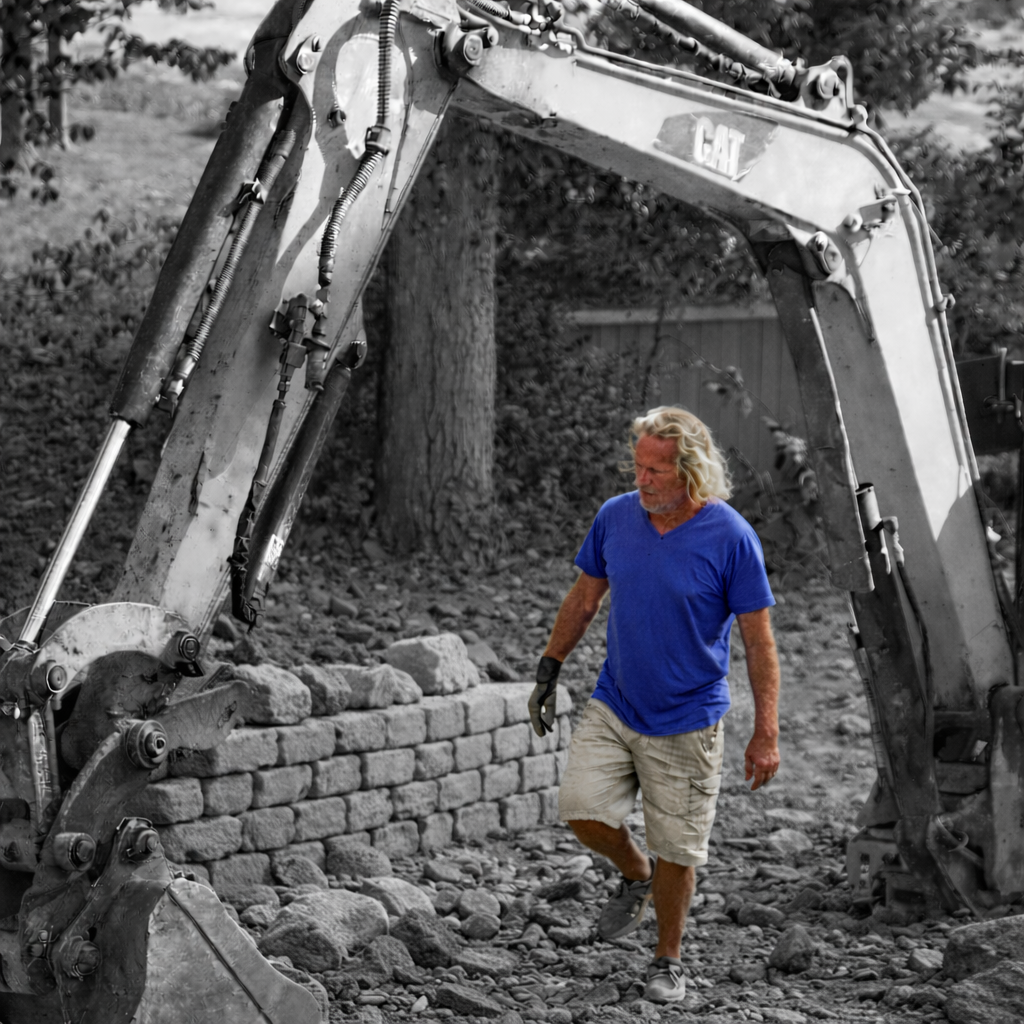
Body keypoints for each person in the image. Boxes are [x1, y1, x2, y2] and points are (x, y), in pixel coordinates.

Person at [528, 406, 781, 1004]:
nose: (641, 480)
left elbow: (758, 642)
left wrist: (765, 731)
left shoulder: (731, 537)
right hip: (616, 699)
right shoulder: (616, 517)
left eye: (656, 471)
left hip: (689, 717)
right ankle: (635, 873)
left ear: (691, 472)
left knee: (678, 848)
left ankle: (668, 959)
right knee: (580, 809)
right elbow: (584, 599)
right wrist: (549, 667)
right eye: (638, 467)